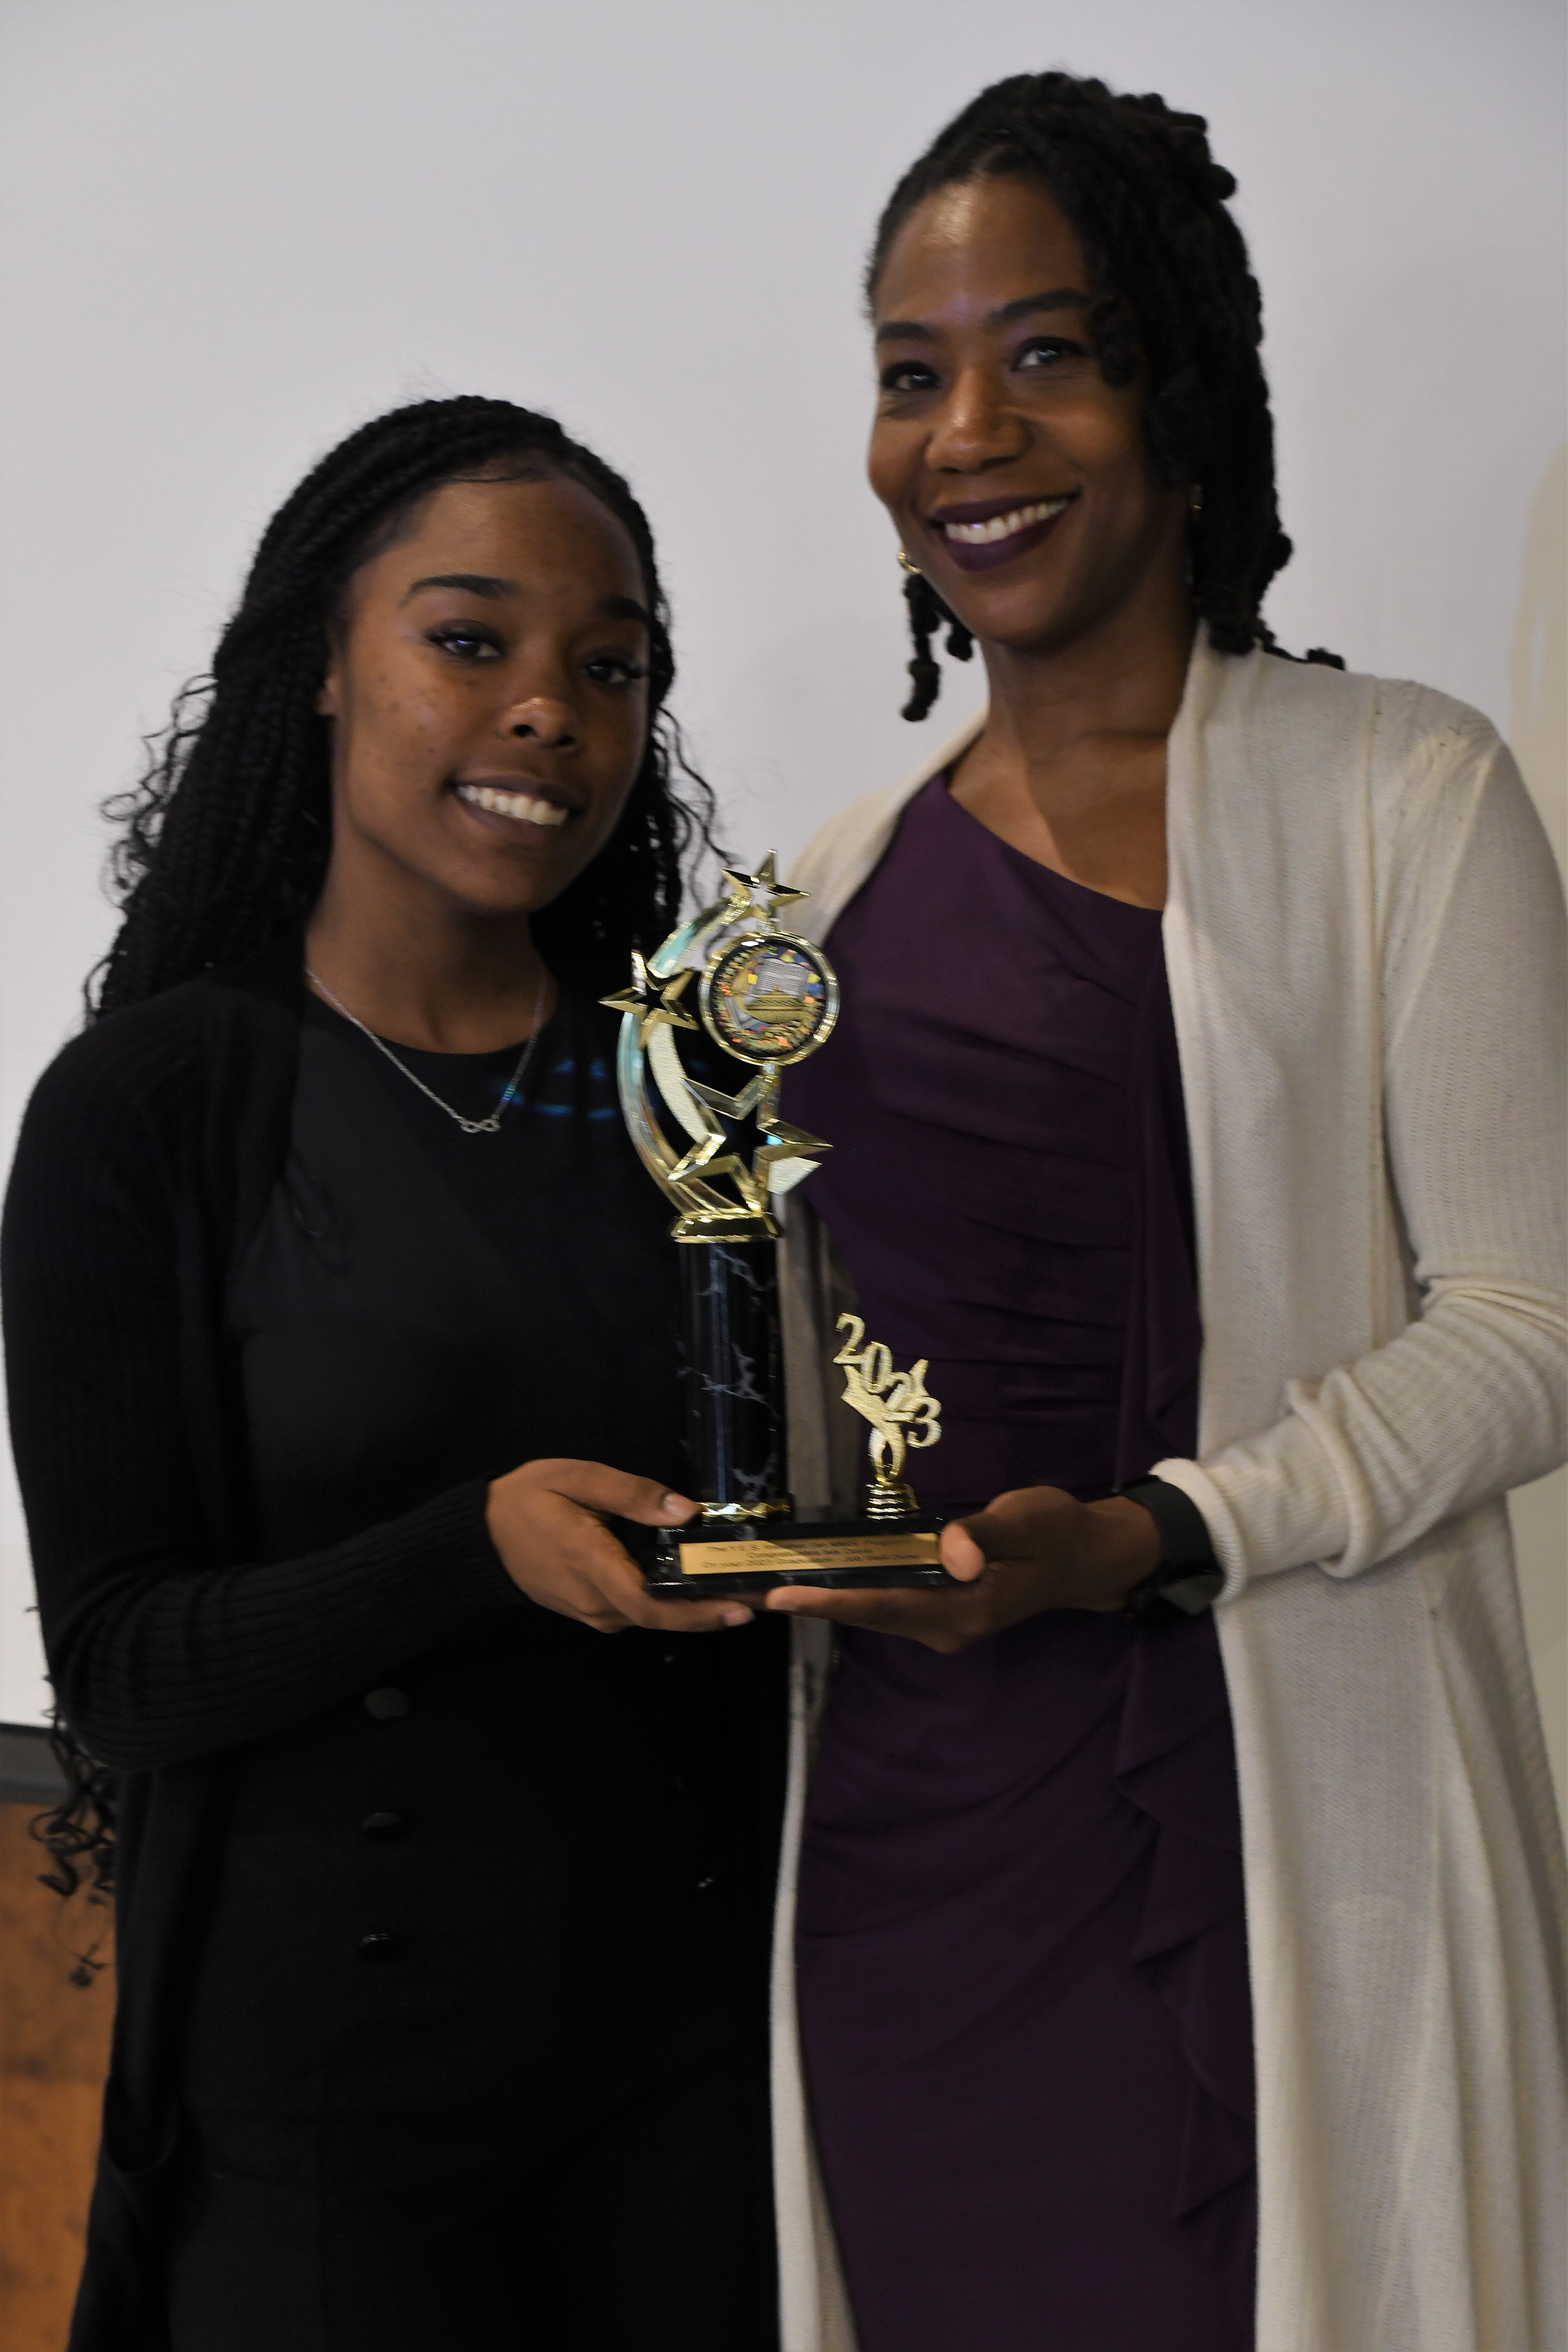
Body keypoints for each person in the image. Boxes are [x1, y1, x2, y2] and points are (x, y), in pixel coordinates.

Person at [760, 72, 1568, 2352]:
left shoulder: (1403, 793)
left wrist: (1170, 1524)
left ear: (1175, 386)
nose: (965, 431)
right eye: (910, 373)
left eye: (1045, 352)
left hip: (1267, 1832)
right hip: (911, 1859)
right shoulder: (827, 883)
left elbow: (1536, 1310)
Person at [1, 396, 789, 2352]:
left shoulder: (690, 1098)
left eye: (609, 668)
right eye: (470, 640)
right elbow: (119, 1660)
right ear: (322, 676)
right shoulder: (158, 1103)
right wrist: (475, 1546)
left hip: (684, 2099)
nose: (548, 710)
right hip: (321, 2118)